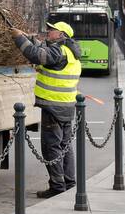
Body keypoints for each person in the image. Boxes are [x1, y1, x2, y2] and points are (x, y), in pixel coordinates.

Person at [10, 21, 82, 198]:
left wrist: (19, 38)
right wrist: (29, 38)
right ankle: (69, 182)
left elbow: (37, 56)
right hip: (66, 106)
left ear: (62, 35)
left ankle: (57, 186)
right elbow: (42, 49)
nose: (49, 31)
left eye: (52, 30)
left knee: (52, 147)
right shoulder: (70, 52)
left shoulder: (59, 51)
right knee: (65, 146)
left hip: (54, 106)